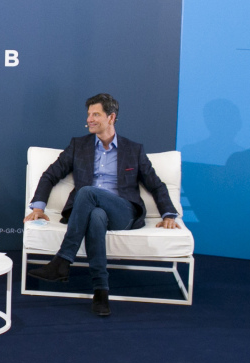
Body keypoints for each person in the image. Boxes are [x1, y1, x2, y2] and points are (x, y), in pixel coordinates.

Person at [25, 93, 180, 316]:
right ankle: (101, 292)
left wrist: (168, 215)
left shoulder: (133, 150)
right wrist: (38, 208)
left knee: (88, 192)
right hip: (89, 213)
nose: (89, 119)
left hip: (123, 211)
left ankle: (63, 260)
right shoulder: (78, 146)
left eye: (96, 114)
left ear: (111, 117)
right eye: (88, 114)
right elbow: (50, 175)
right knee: (96, 215)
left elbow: (156, 185)